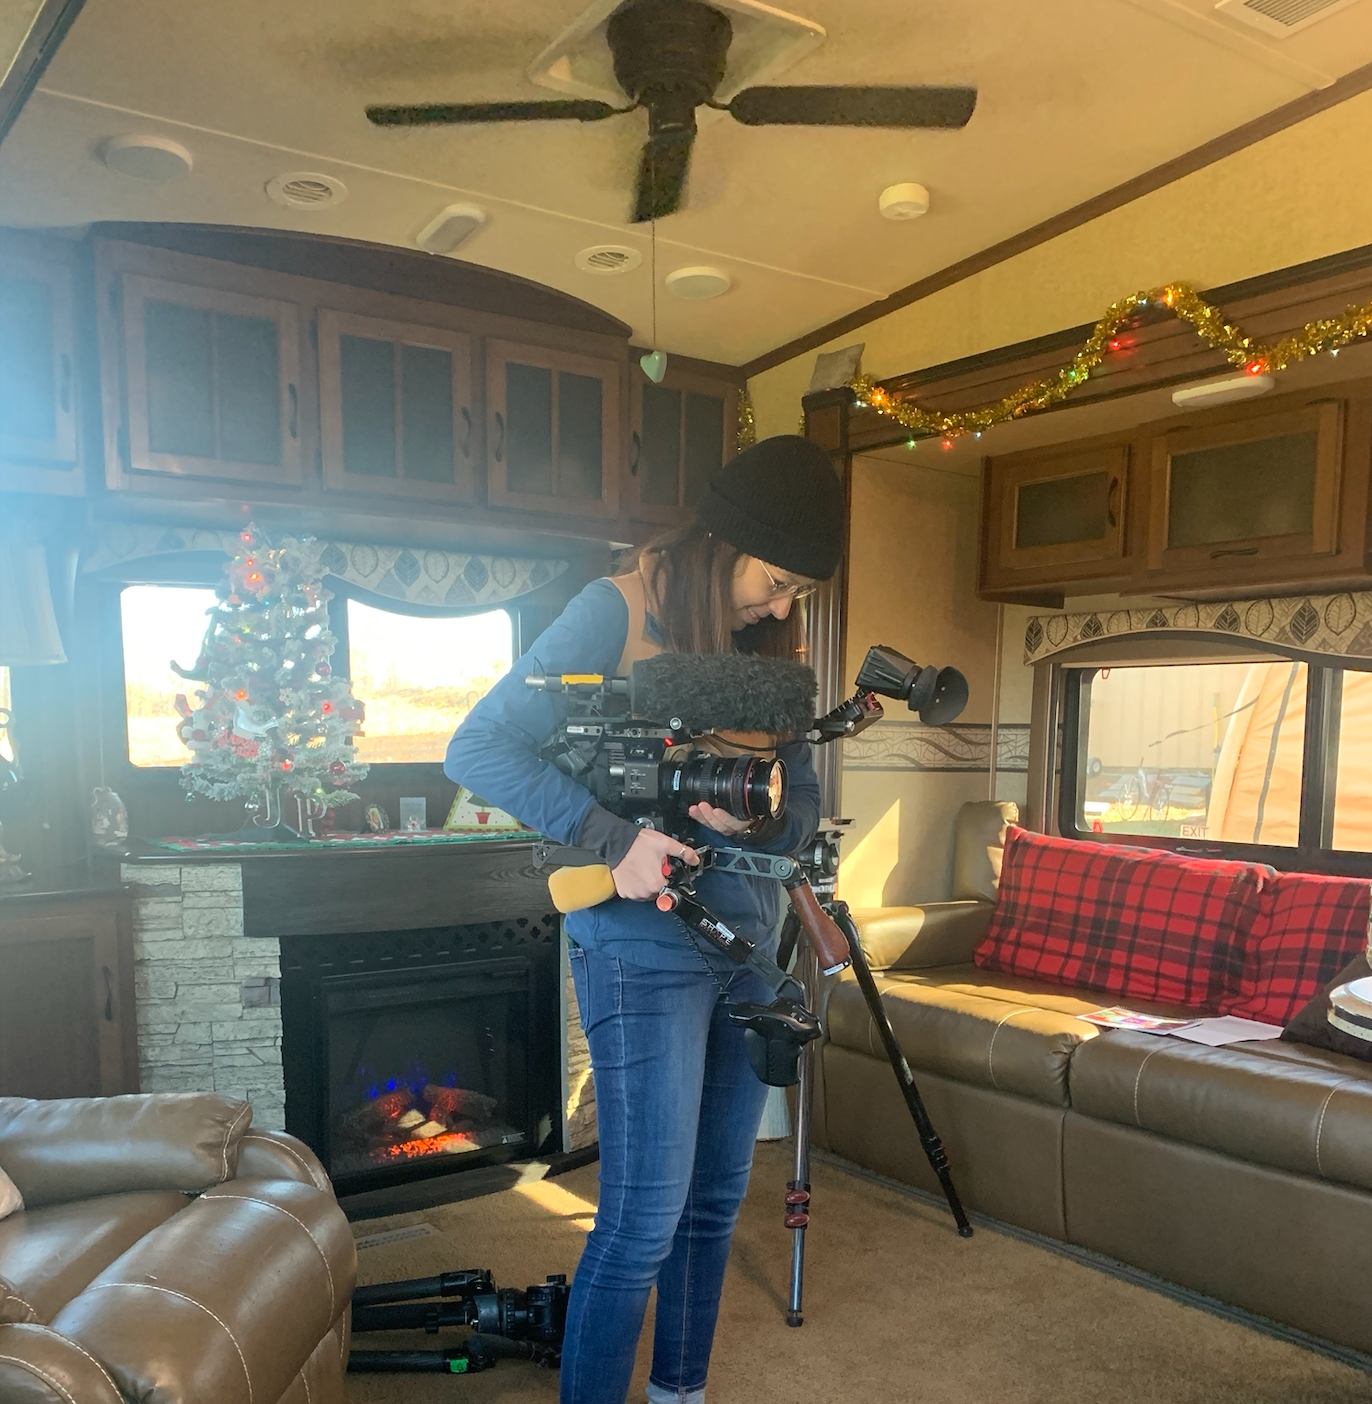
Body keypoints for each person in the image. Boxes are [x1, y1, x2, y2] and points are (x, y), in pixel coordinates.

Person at [445, 435, 845, 1404]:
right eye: (776, 582)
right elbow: (478, 746)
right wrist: (612, 837)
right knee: (642, 1222)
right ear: (724, 543)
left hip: (749, 950)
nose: (781, 609)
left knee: (714, 1208)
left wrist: (758, 816)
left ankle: (679, 1393)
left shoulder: (764, 649)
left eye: (797, 593)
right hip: (640, 948)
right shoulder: (613, 610)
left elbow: (801, 796)